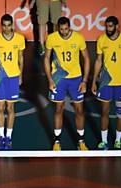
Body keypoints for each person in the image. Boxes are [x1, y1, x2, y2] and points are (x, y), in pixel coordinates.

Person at [45, 16, 90, 151]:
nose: (64, 32)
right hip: (59, 78)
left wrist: (85, 81)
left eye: (66, 29)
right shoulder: (52, 38)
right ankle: (57, 141)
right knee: (59, 109)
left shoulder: (78, 38)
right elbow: (46, 58)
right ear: (58, 28)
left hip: (76, 79)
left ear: (69, 27)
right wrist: (50, 79)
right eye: (61, 29)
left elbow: (86, 58)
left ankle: (81, 141)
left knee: (79, 110)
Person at [93, 16, 121, 150]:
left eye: (110, 26)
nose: (108, 29)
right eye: (106, 26)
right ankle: (104, 141)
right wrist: (94, 81)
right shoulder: (101, 40)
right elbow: (98, 61)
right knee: (104, 112)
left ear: (117, 26)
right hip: (105, 83)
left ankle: (118, 140)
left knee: (120, 112)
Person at [0, 14, 26, 150]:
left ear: (12, 25)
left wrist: (21, 76)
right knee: (0, 108)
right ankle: (1, 137)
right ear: (1, 25)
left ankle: (9, 137)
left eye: (9, 25)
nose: (6, 28)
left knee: (10, 108)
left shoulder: (20, 39)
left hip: (13, 78)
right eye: (4, 25)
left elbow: (21, 59)